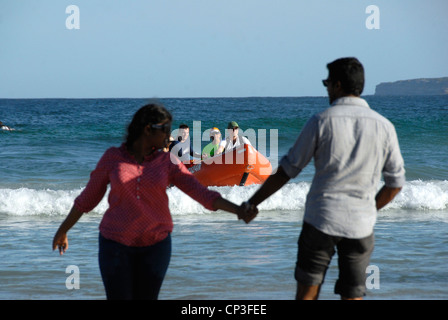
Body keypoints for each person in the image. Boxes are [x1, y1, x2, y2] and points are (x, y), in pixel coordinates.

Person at [52, 103, 256, 300]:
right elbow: (87, 199)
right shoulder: (112, 158)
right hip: (114, 244)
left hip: (156, 246)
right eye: (165, 129)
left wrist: (238, 210)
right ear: (148, 129)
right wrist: (63, 230)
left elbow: (200, 193)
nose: (170, 135)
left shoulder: (167, 162)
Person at [242, 57, 405, 300]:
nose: (326, 88)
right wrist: (370, 209)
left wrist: (253, 203)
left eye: (326, 82)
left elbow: (287, 170)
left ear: (338, 85)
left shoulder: (321, 121)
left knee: (308, 291)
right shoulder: (385, 126)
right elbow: (395, 183)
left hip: (321, 219)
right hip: (360, 224)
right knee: (353, 295)